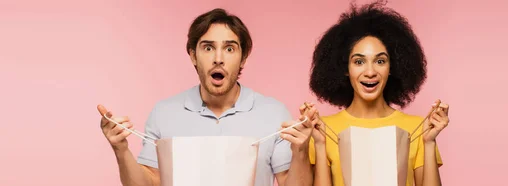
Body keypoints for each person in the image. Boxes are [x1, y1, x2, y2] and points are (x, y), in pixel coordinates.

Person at [96, 8, 313, 186]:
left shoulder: (274, 114)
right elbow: (150, 183)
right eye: (208, 48)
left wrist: (301, 151)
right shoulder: (164, 113)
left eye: (229, 49)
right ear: (193, 55)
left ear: (243, 58)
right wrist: (121, 150)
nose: (218, 58)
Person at [304, 1, 450, 186]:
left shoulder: (418, 128)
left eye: (380, 61)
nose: (370, 72)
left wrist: (429, 143)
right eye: (359, 62)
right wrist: (319, 144)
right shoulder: (323, 130)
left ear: (392, 67)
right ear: (345, 68)